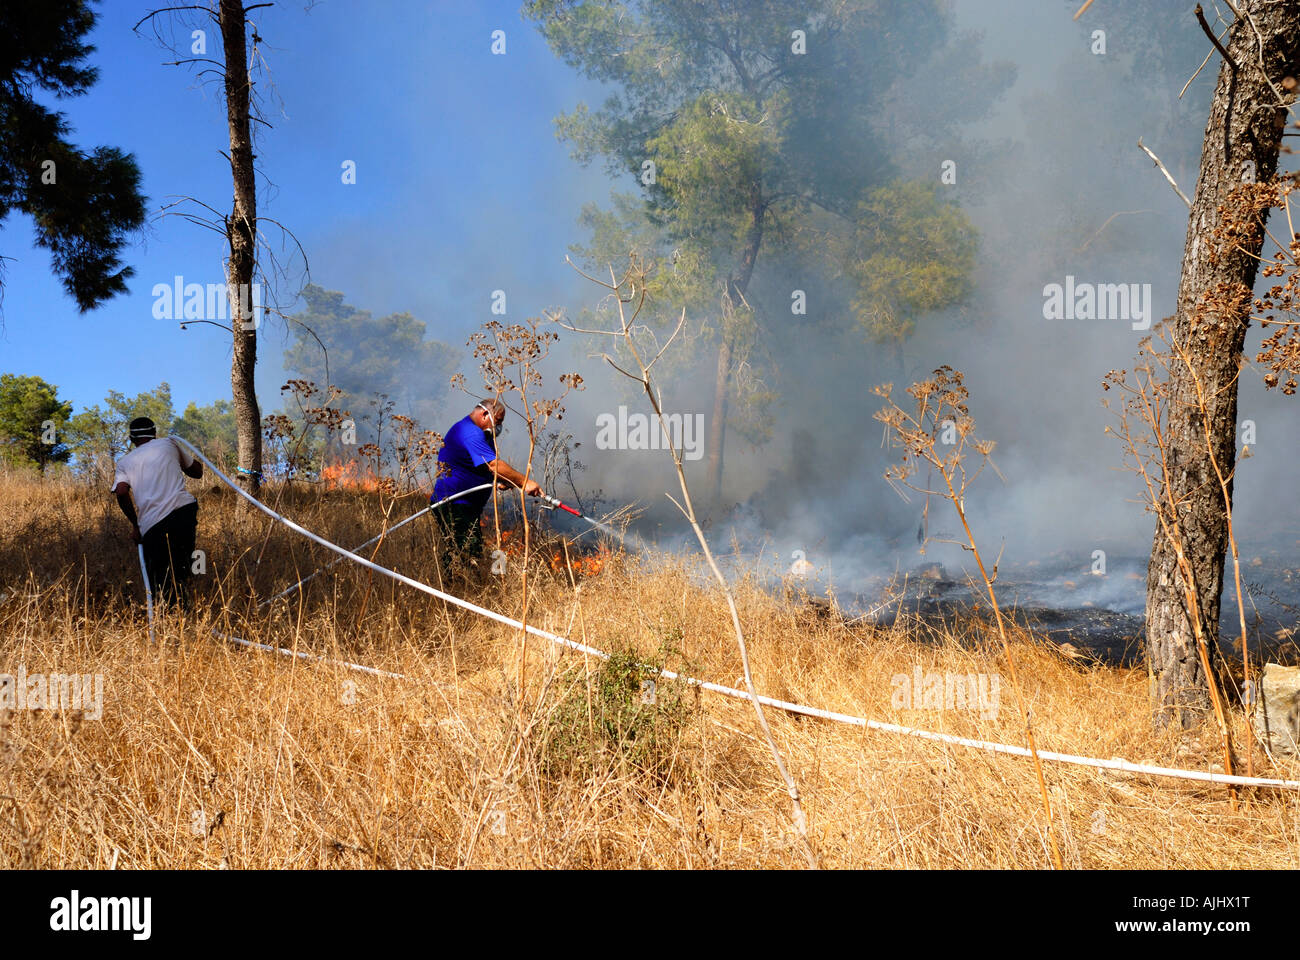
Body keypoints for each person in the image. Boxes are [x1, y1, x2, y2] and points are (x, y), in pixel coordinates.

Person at [431, 398, 544, 575]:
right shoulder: (470, 433)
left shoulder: (480, 434)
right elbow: (493, 464)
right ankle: (453, 589)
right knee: (464, 552)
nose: (499, 427)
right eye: (498, 421)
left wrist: (502, 480)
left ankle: (457, 586)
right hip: (453, 504)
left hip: (466, 506)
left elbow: (484, 466)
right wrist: (524, 482)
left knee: (467, 551)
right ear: (485, 414)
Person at [112, 417, 203, 608]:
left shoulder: (124, 462)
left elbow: (121, 492)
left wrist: (135, 525)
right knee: (184, 565)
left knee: (159, 575)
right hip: (183, 511)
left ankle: (169, 617)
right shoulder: (169, 443)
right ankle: (187, 610)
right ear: (155, 433)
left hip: (152, 524)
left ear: (131, 438)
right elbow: (197, 472)